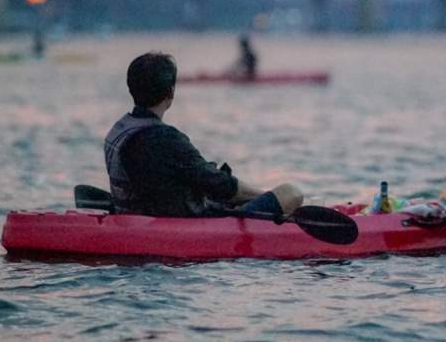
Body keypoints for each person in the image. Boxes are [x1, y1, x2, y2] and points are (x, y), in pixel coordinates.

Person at [104, 51, 302, 217]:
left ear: (131, 88)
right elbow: (222, 186)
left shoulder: (120, 128)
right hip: (186, 224)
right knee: (291, 193)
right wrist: (265, 196)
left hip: (142, 214)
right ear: (171, 93)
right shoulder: (166, 139)